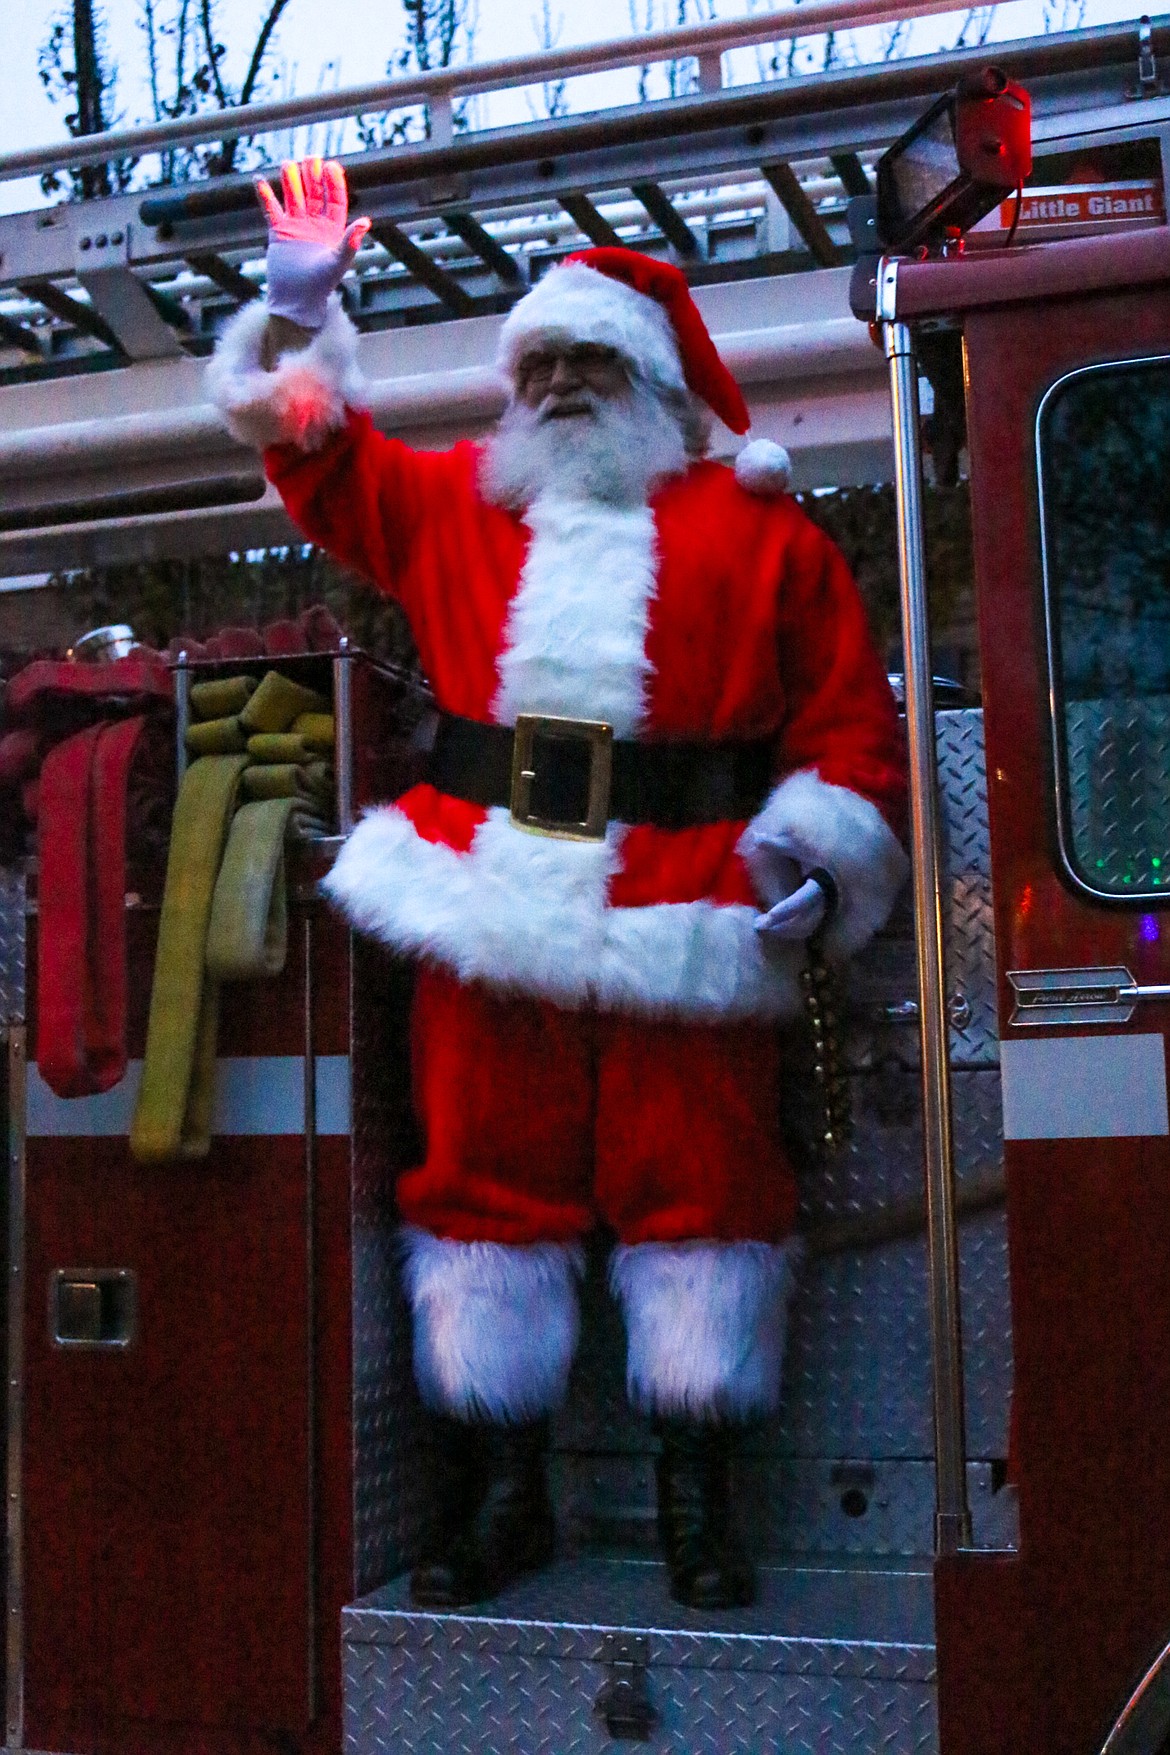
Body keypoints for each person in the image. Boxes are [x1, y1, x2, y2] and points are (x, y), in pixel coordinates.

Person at [207, 156, 908, 1612]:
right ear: (514, 382)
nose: (567, 384)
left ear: (655, 384)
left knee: (705, 1196)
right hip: (488, 906)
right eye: (545, 362)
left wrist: (815, 855)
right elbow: (315, 453)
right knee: (478, 1194)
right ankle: (501, 1497)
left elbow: (848, 727)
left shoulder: (766, 535)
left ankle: (696, 1505)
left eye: (597, 360)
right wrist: (297, 301)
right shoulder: (456, 503)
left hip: (688, 916)